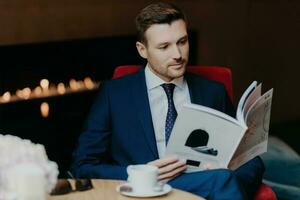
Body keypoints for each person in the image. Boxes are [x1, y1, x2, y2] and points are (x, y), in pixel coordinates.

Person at [71, 2, 264, 199]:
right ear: (142, 50)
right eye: (164, 47)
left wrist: (228, 173)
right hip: (147, 189)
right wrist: (138, 173)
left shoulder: (212, 92)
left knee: (221, 179)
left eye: (182, 42)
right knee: (220, 180)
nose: (178, 55)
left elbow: (250, 160)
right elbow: (82, 165)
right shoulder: (114, 94)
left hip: (206, 184)